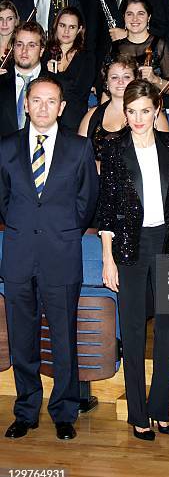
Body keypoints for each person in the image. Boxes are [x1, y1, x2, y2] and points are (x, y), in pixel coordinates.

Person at [0, 76, 99, 440]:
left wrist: (62, 226)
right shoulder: (6, 147)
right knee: (22, 338)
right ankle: (26, 410)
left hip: (61, 254)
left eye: (50, 101)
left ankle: (64, 411)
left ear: (62, 107)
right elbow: (4, 200)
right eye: (36, 100)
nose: (43, 108)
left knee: (63, 338)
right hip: (19, 256)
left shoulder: (79, 148)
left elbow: (87, 200)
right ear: (26, 104)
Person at [98, 79, 169, 439]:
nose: (138, 118)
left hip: (168, 243)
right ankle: (138, 413)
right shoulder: (113, 148)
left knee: (168, 328)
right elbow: (106, 210)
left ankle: (160, 409)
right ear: (126, 114)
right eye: (132, 111)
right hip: (128, 246)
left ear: (156, 111)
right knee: (135, 330)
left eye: (145, 111)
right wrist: (107, 258)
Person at [78, 54, 169, 169]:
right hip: (97, 182)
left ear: (135, 80)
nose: (120, 82)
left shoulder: (154, 115)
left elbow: (166, 158)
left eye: (126, 77)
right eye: (114, 77)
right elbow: (80, 157)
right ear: (106, 82)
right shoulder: (92, 116)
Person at [110, 0, 169, 98]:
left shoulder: (160, 45)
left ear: (148, 17)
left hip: (150, 108)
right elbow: (107, 87)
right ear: (124, 17)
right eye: (129, 14)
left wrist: (154, 79)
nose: (134, 19)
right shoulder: (115, 47)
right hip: (122, 106)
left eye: (140, 14)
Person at [42, 6, 94, 131]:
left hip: (73, 121)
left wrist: (53, 76)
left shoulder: (87, 57)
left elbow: (79, 93)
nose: (66, 31)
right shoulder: (45, 53)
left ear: (79, 30)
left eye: (72, 27)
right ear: (56, 26)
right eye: (62, 25)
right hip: (46, 118)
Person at [0, 21, 51, 138]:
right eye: (19, 44)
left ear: (42, 50)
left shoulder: (57, 84)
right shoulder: (1, 82)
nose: (24, 50)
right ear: (13, 48)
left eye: (31, 45)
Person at [0, 0, 19, 65]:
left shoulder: (21, 47)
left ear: (16, 21)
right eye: (0, 19)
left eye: (9, 19)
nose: (4, 23)